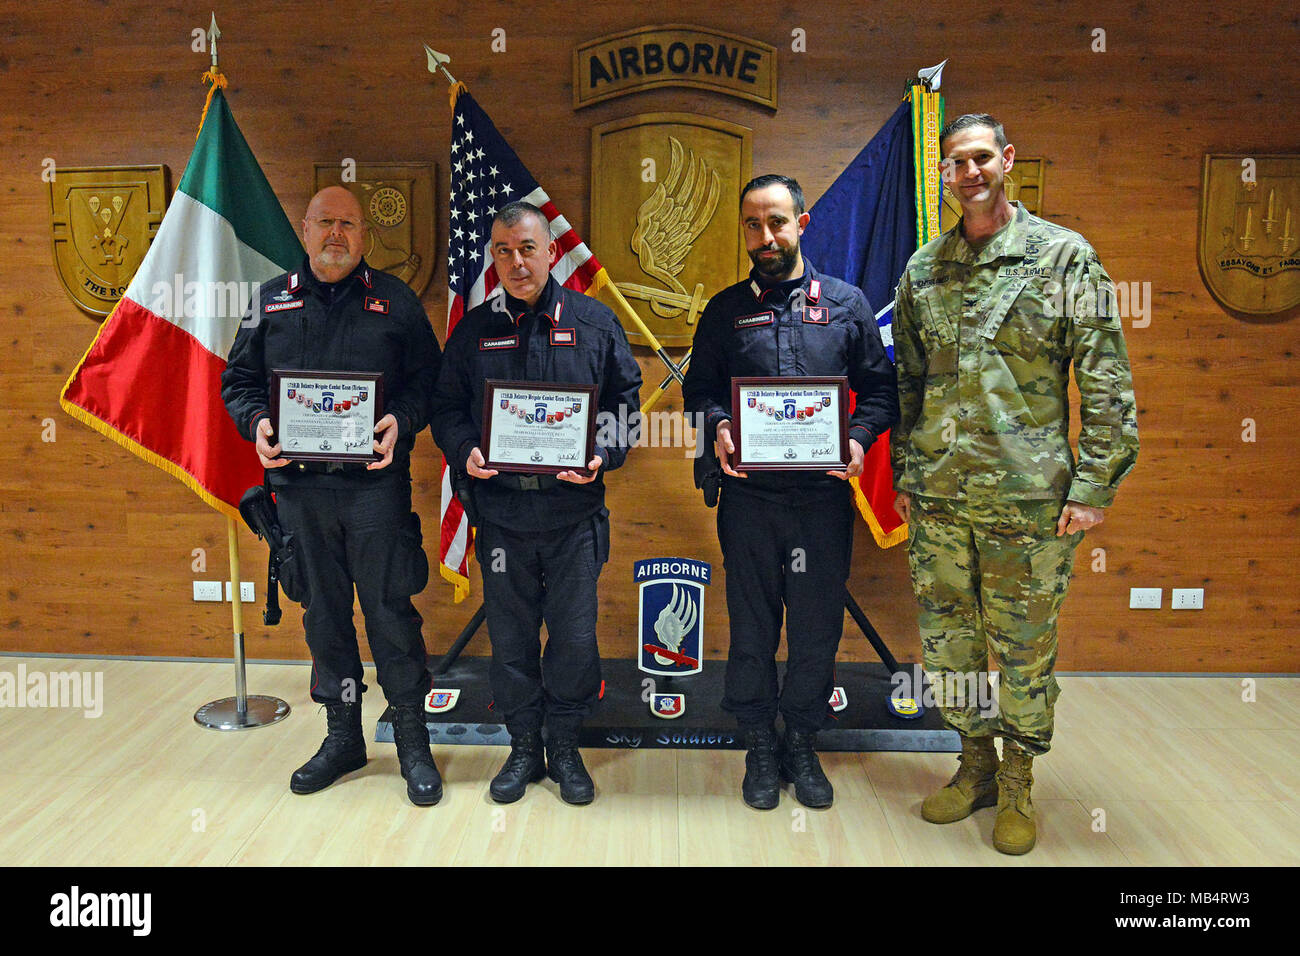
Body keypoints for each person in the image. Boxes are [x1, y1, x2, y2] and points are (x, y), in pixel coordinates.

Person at [892, 114, 1139, 853]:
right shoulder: (923, 270)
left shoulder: (1062, 258)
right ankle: (974, 767)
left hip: (1027, 499)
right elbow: (907, 383)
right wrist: (907, 475)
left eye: (980, 158)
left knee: (1024, 647)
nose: (968, 172)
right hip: (938, 497)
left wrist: (1094, 484)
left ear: (1006, 161)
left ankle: (1021, 776)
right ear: (942, 173)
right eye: (954, 162)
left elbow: (1106, 377)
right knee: (949, 644)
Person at [682, 175, 899, 810]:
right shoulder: (724, 310)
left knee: (815, 627)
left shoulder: (847, 304)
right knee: (751, 625)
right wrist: (720, 425)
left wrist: (857, 438)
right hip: (749, 500)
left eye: (777, 221)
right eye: (753, 224)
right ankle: (756, 741)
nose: (765, 236)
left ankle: (801, 740)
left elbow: (881, 391)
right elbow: (699, 392)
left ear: (802, 224)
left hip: (822, 502)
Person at [222, 186, 443, 806]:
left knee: (390, 615)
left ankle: (412, 742)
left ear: (365, 234)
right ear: (306, 228)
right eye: (326, 223)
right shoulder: (268, 303)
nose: (336, 234)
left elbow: (431, 381)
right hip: (299, 494)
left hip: (375, 491)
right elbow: (237, 382)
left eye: (348, 224)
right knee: (323, 620)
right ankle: (344, 736)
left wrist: (401, 419)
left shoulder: (395, 303)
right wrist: (257, 424)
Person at [429, 201, 642, 806]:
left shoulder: (595, 323)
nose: (515, 262)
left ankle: (567, 745)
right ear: (492, 258)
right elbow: (446, 408)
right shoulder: (473, 331)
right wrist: (467, 448)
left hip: (573, 519)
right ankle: (524, 746)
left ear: (551, 251)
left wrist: (602, 450)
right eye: (502, 251)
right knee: (513, 639)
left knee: (574, 640)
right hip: (502, 518)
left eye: (526, 248)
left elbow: (626, 404)